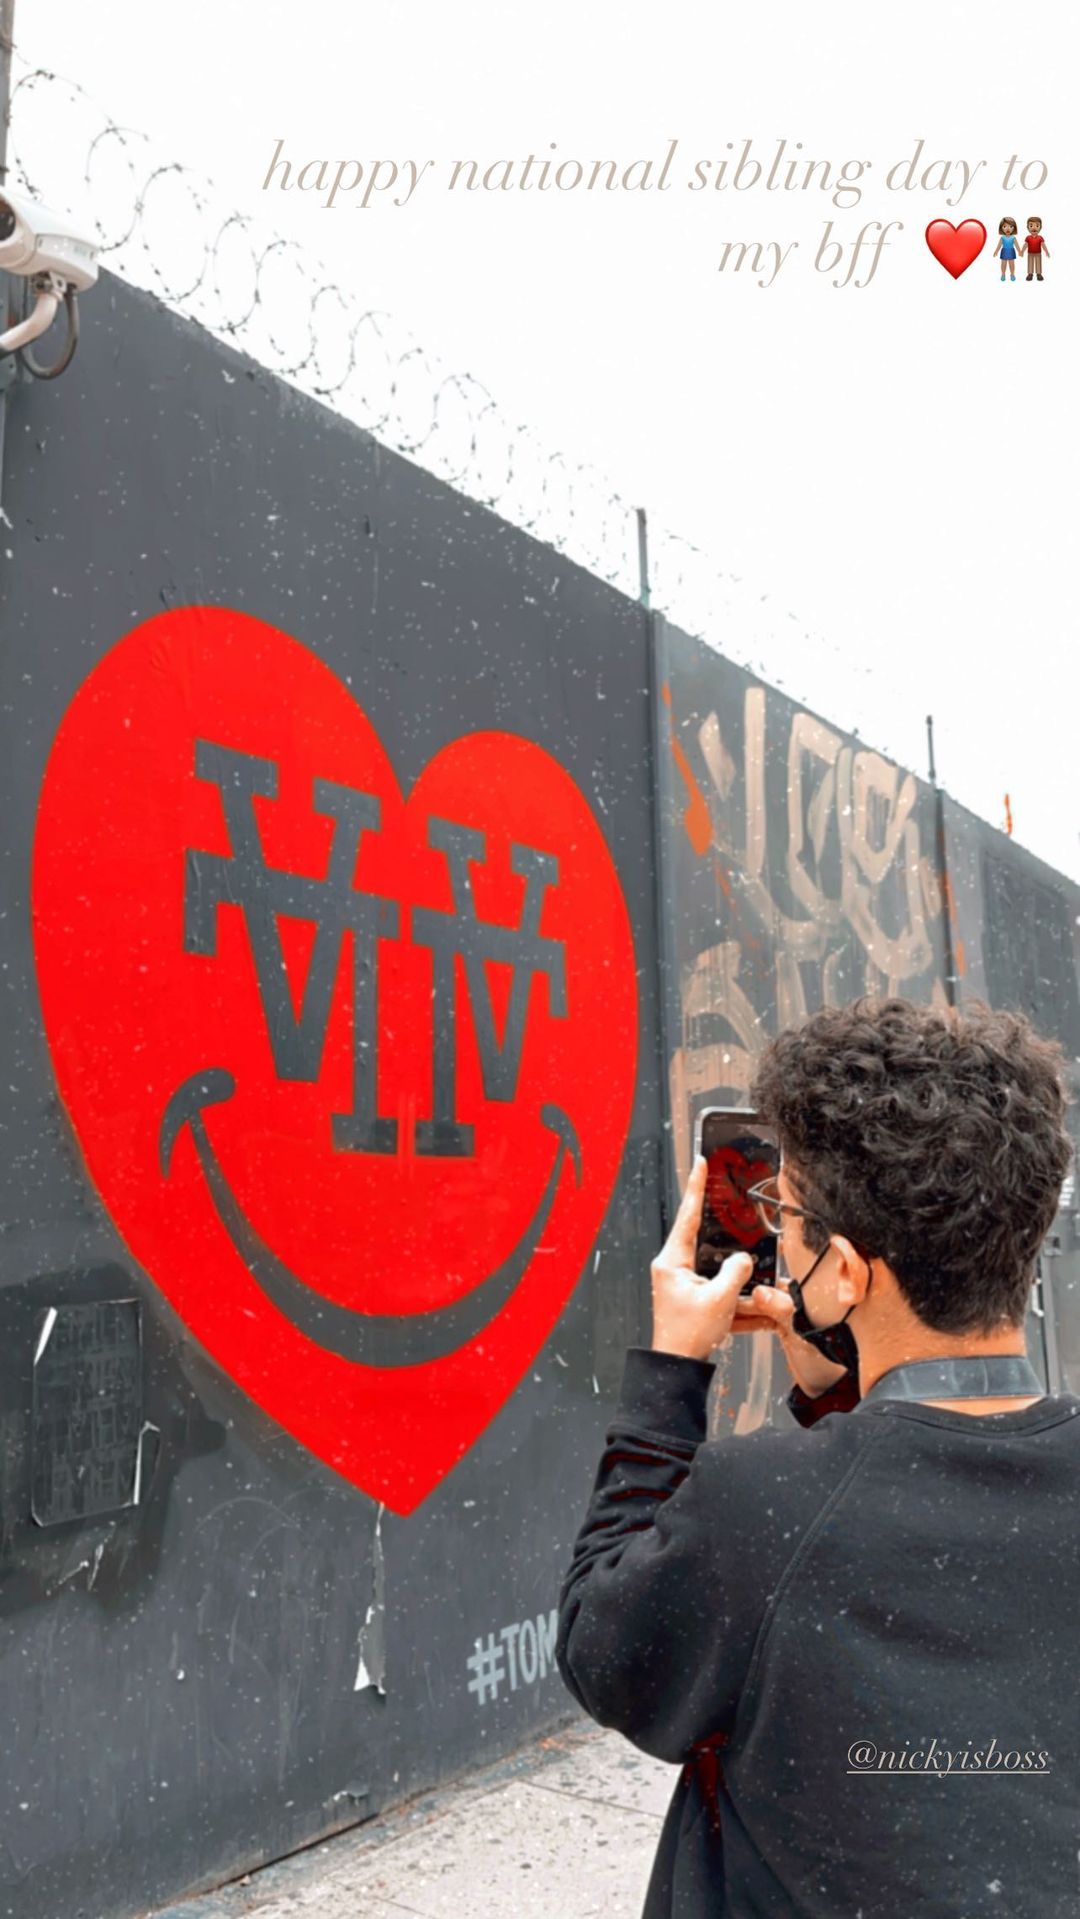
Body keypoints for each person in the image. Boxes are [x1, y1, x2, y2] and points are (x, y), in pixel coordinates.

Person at [556, 997, 1078, 1918]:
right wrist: (842, 1388)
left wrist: (669, 1375)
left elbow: (610, 1652)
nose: (773, 1231)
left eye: (782, 1211)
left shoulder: (766, 1502)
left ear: (839, 1269)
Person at [994, 215, 1020, 281]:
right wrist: (996, 251)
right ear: (1001, 228)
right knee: (1003, 264)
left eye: (1011, 226)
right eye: (1005, 226)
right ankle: (1003, 274)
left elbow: (1017, 245)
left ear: (1014, 228)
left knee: (1012, 264)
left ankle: (1012, 274)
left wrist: (1020, 251)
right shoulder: (1002, 237)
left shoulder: (1013, 237)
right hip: (1004, 251)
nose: (1008, 229)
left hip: (1011, 251)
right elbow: (999, 245)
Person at [1023, 216, 1049, 280]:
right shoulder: (1028, 238)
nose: (1034, 228)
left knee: (1038, 262)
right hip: (1030, 253)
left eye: (1037, 226)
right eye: (1031, 226)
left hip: (1038, 253)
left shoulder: (1040, 238)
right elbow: (1025, 245)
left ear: (1040, 227)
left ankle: (1039, 274)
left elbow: (1043, 245)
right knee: (1030, 263)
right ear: (1027, 227)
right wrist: (1022, 251)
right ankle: (1030, 273)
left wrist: (1046, 251)